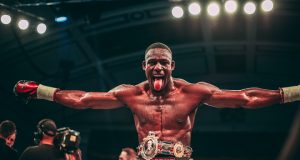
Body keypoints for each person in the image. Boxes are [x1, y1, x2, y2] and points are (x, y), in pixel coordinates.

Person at [13, 42, 300, 159]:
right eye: (153, 63)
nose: (158, 67)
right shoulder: (132, 94)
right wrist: (41, 90)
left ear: (173, 66)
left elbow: (246, 98)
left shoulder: (193, 92)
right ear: (144, 67)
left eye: (163, 62)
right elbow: (83, 100)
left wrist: (295, 91)